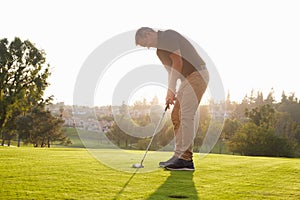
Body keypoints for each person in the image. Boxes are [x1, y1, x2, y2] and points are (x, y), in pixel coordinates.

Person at [135, 27, 209, 171]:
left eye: (146, 43)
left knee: (186, 115)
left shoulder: (168, 36)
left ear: (148, 34)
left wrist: (171, 89)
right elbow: (171, 71)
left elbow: (177, 61)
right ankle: (178, 156)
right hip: (186, 80)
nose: (148, 47)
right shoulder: (159, 52)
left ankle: (186, 159)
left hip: (197, 74)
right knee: (175, 115)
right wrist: (170, 91)